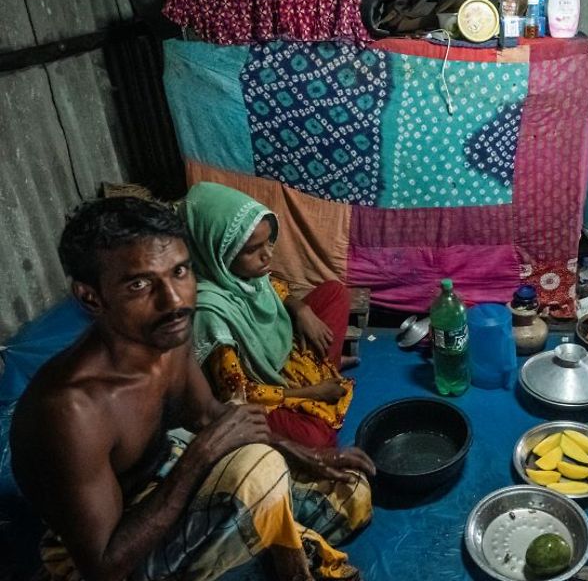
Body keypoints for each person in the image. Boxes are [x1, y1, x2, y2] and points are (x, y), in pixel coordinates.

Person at [10, 197, 375, 581]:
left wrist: (309, 457)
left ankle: (254, 546)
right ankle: (263, 553)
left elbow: (207, 416)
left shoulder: (168, 339)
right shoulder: (72, 411)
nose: (174, 301)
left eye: (180, 272)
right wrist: (202, 455)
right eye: (139, 284)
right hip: (104, 555)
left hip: (165, 480)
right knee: (259, 470)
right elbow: (104, 566)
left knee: (352, 495)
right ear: (91, 297)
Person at [180, 182, 356, 450]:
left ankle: (322, 368)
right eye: (252, 250)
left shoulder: (245, 274)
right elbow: (239, 395)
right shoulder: (211, 314)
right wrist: (311, 393)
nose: (268, 255)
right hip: (260, 385)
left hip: (282, 350)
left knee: (334, 293)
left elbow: (274, 287)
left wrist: (301, 310)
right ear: (216, 251)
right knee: (317, 439)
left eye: (268, 242)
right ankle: (322, 375)